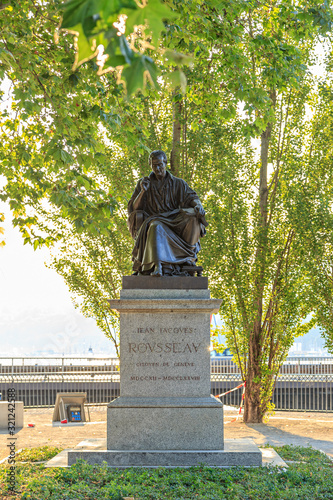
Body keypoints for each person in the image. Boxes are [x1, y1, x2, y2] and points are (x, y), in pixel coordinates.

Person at [127, 150, 207, 276]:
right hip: (155, 220)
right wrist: (143, 191)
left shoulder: (178, 183)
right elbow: (134, 208)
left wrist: (198, 206)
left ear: (165, 163)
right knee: (156, 227)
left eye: (160, 164)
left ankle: (188, 259)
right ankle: (158, 266)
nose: (157, 168)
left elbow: (192, 197)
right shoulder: (144, 183)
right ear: (151, 166)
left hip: (175, 220)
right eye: (154, 165)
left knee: (192, 218)